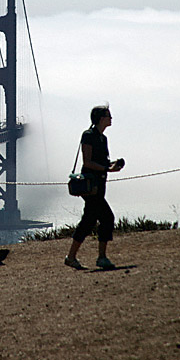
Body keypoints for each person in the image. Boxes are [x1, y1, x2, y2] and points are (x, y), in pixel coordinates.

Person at [65, 105, 125, 270]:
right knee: (107, 217)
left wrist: (113, 165)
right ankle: (101, 257)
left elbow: (103, 162)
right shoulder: (88, 136)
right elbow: (88, 162)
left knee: (88, 220)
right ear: (100, 118)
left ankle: (71, 257)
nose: (111, 118)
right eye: (108, 116)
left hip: (100, 184)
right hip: (91, 187)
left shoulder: (102, 138)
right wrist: (107, 168)